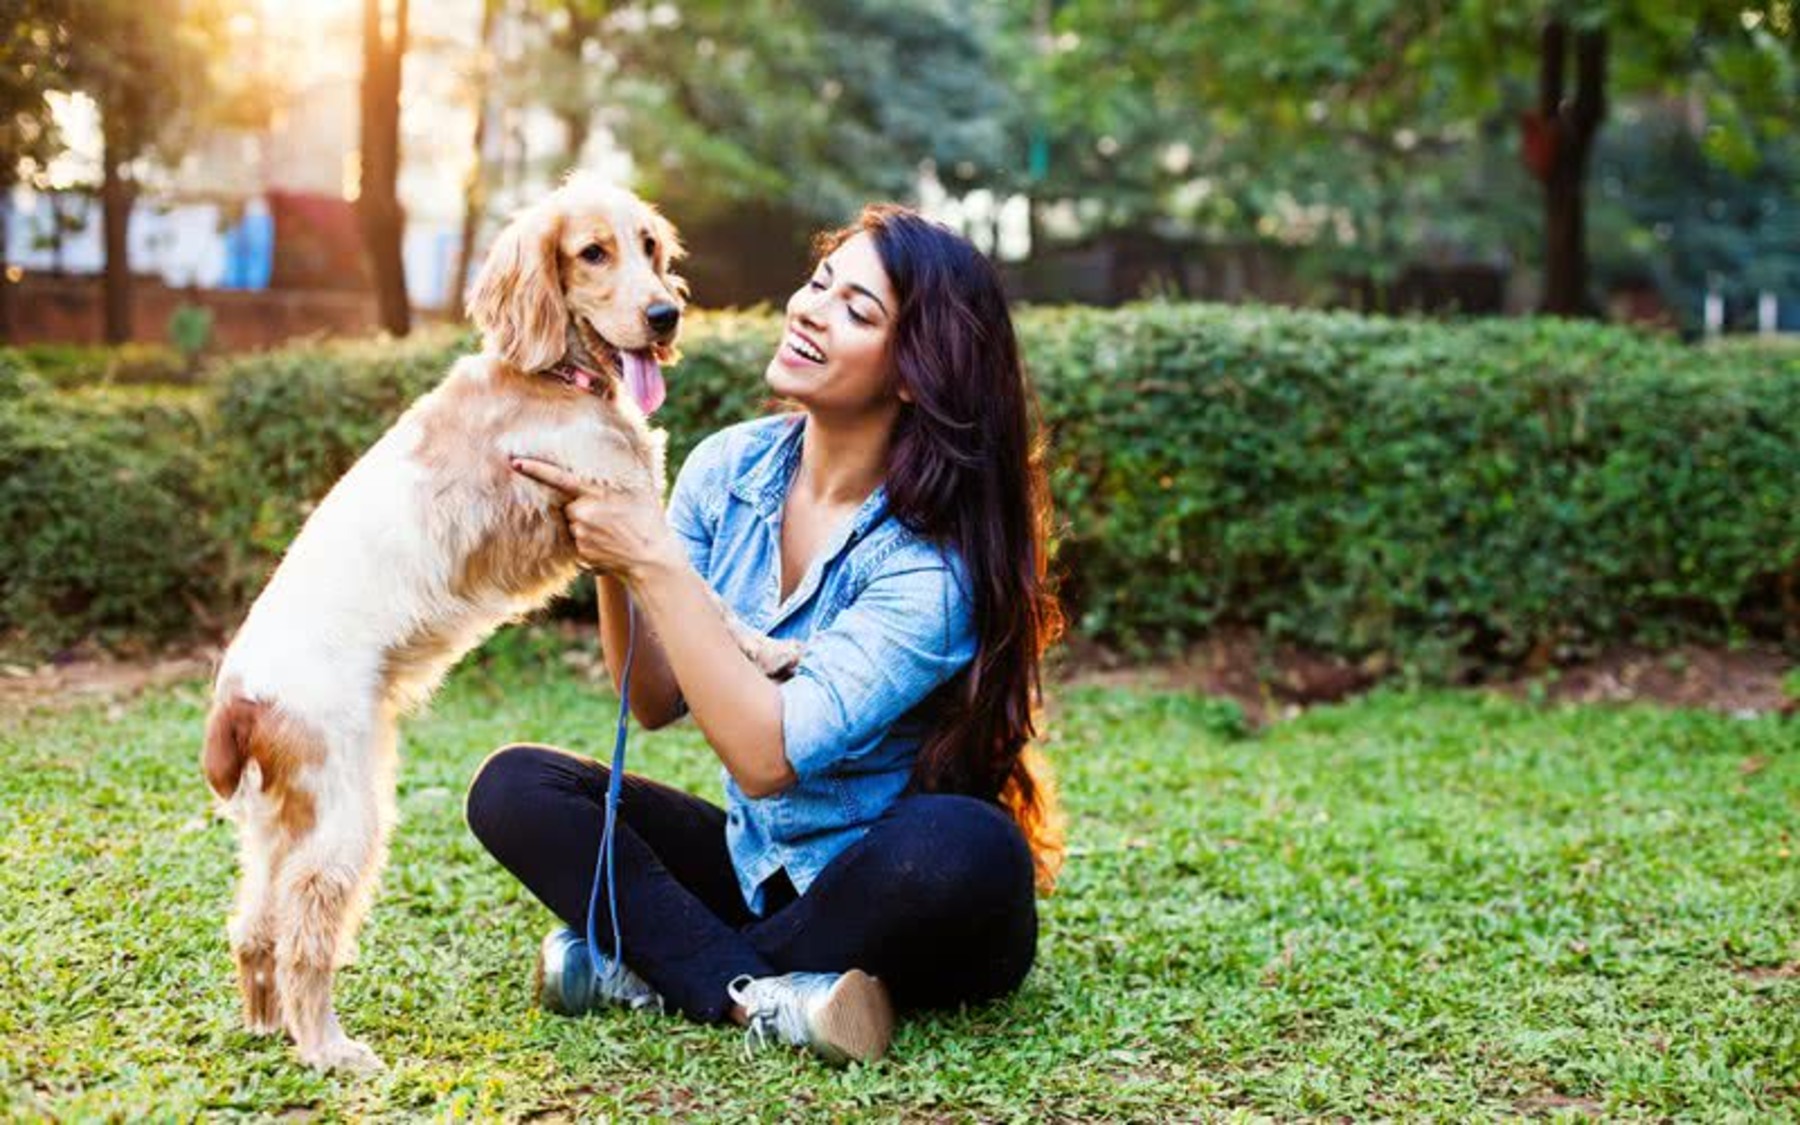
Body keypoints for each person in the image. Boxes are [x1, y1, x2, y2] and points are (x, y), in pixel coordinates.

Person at [465, 204, 1063, 1065]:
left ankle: (669, 972)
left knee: (966, 845)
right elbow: (653, 695)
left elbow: (767, 758)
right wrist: (610, 543)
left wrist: (653, 556)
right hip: (757, 870)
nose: (812, 309)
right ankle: (771, 995)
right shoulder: (727, 467)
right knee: (517, 786)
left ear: (914, 373)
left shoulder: (932, 566)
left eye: (858, 311)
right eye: (820, 283)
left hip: (893, 886)